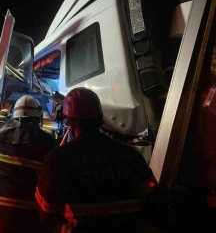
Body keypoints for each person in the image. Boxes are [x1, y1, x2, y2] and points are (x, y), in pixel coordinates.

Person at [36, 87, 157, 232]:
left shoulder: (58, 159)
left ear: (69, 121)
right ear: (100, 117)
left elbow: (46, 210)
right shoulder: (130, 155)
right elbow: (154, 199)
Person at [0, 96, 56, 233]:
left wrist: (3, 112)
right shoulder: (48, 141)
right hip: (31, 210)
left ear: (15, 116)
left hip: (1, 207)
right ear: (38, 116)